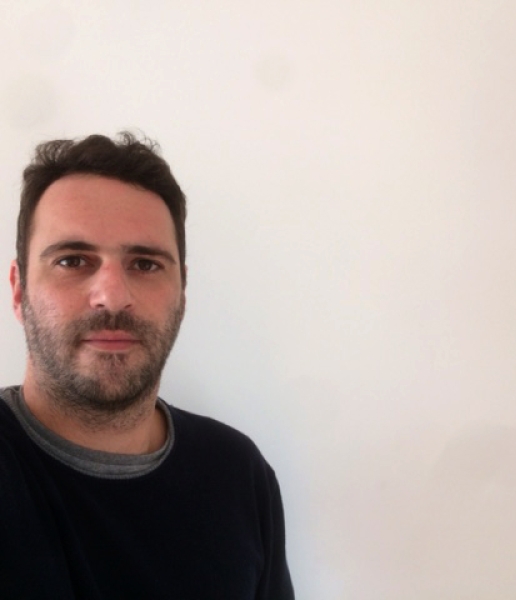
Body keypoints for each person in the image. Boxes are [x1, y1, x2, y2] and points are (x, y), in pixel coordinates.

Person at [0, 132, 295, 599]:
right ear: (19, 290)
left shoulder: (239, 473)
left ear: (182, 292)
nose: (113, 296)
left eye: (145, 264)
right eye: (73, 260)